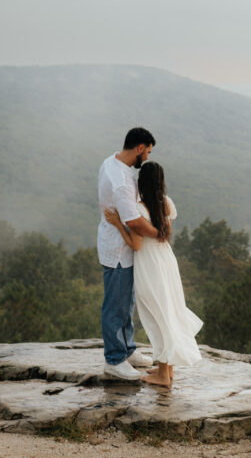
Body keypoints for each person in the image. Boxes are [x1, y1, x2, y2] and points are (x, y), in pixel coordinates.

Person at [105, 160, 203, 387]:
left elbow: (136, 245)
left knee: (156, 315)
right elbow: (165, 235)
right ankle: (167, 370)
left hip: (149, 266)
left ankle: (163, 374)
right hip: (167, 261)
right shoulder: (167, 203)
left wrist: (119, 224)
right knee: (167, 311)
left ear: (141, 183)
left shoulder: (139, 209)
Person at [97, 127, 157, 381]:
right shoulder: (122, 181)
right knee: (116, 307)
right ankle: (115, 359)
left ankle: (128, 349)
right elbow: (133, 221)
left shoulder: (110, 162)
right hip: (119, 251)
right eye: (149, 152)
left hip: (118, 247)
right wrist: (159, 233)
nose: (148, 158)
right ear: (140, 148)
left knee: (126, 303)